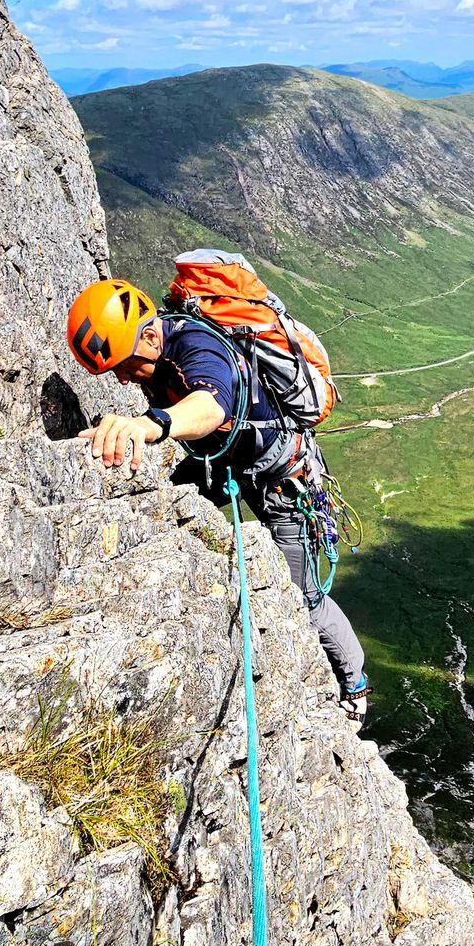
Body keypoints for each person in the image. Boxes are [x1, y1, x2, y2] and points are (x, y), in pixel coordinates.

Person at [66, 277, 370, 723]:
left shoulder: (197, 348)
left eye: (126, 365)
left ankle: (355, 684)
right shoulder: (160, 348)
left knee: (303, 595)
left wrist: (148, 426)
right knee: (162, 507)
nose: (124, 378)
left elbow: (212, 408)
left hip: (285, 481)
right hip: (232, 465)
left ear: (150, 336)